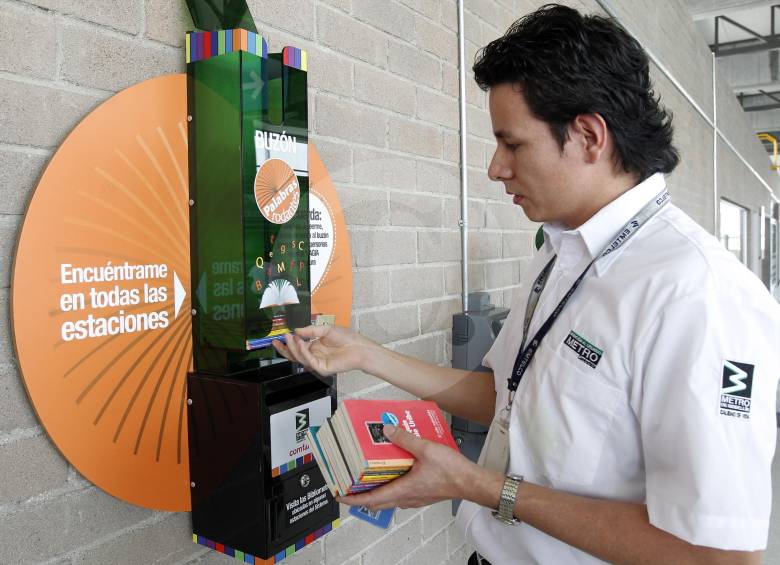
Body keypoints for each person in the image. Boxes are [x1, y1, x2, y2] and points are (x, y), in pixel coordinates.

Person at [274, 5, 780, 564]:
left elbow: (720, 556)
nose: (495, 168)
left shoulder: (700, 295)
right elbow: (506, 396)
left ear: (588, 136)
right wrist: (367, 355)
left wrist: (475, 485)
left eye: (512, 144)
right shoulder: (563, 251)